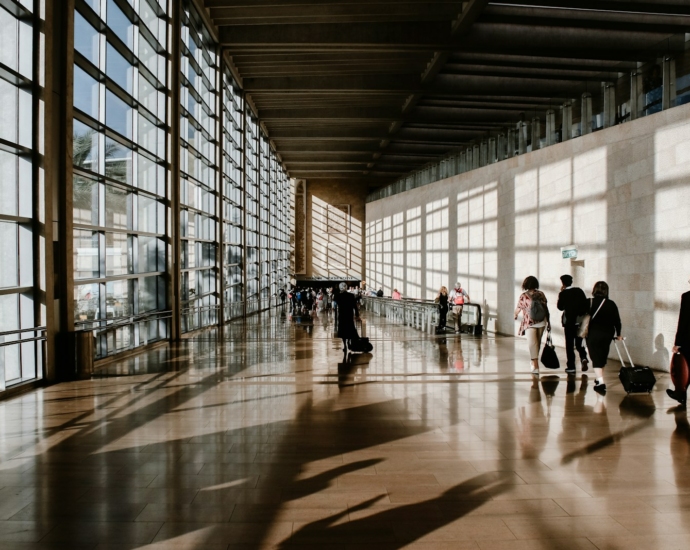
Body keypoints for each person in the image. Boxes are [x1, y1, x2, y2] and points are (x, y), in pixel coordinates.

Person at [585, 281, 622, 395]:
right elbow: (617, 321)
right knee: (602, 357)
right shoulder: (611, 304)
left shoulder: (589, 302)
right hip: (607, 334)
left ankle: (601, 382)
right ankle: (598, 378)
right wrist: (618, 334)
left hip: (593, 334)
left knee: (595, 357)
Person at [514, 276, 550, 375]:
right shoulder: (541, 294)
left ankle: (534, 363)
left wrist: (515, 314)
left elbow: (518, 308)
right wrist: (549, 322)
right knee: (536, 344)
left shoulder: (523, 296)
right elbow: (546, 309)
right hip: (542, 322)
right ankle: (535, 363)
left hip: (529, 323)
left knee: (533, 344)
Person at [557, 274, 590, 374]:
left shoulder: (563, 294)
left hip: (569, 323)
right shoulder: (579, 291)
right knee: (579, 343)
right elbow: (585, 304)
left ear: (563, 283)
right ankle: (583, 357)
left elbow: (560, 307)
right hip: (579, 321)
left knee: (569, 345)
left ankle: (571, 366)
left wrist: (562, 292)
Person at [668, 279, 690, 404]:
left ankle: (680, 394)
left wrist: (677, 343)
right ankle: (679, 393)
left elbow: (683, 321)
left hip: (688, 341)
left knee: (685, 367)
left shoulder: (687, 297)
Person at [334, 282, 360, 353]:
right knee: (350, 328)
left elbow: (336, 305)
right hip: (349, 314)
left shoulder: (338, 296)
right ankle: (349, 342)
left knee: (343, 330)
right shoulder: (351, 295)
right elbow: (355, 306)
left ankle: (345, 345)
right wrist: (357, 315)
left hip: (342, 315)